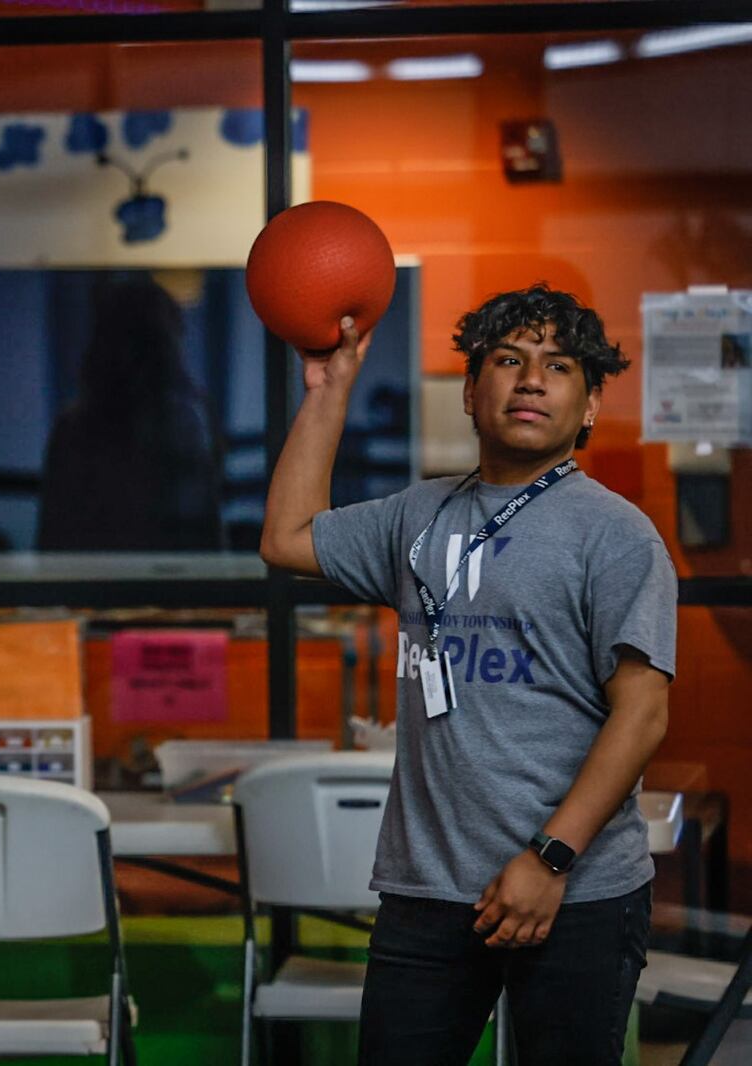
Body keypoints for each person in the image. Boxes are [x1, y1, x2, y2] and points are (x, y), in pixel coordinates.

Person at [261, 285, 675, 1066]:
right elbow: (286, 537)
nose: (529, 380)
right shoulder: (417, 517)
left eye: (558, 367)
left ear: (588, 408)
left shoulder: (617, 535)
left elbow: (643, 716)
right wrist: (330, 389)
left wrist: (550, 859)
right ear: (470, 391)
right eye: (508, 361)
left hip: (575, 888)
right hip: (427, 888)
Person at [38, 277, 221, 552]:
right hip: (121, 581)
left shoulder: (190, 425)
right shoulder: (190, 424)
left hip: (167, 581)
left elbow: (206, 530)